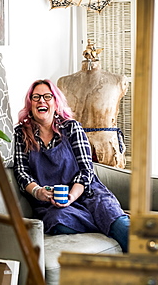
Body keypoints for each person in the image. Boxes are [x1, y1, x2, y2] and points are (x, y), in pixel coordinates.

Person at [13, 79, 130, 253]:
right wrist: (39, 192)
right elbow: (22, 172)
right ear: (30, 104)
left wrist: (72, 196)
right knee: (59, 223)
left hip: (87, 193)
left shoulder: (72, 128)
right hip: (52, 203)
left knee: (118, 223)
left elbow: (86, 169)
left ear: (55, 102)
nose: (41, 101)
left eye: (47, 96)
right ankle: (104, 223)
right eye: (36, 97)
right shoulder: (21, 134)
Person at [57, 40, 129, 168]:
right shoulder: (64, 82)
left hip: (107, 150)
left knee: (107, 184)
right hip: (72, 146)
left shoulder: (118, 81)